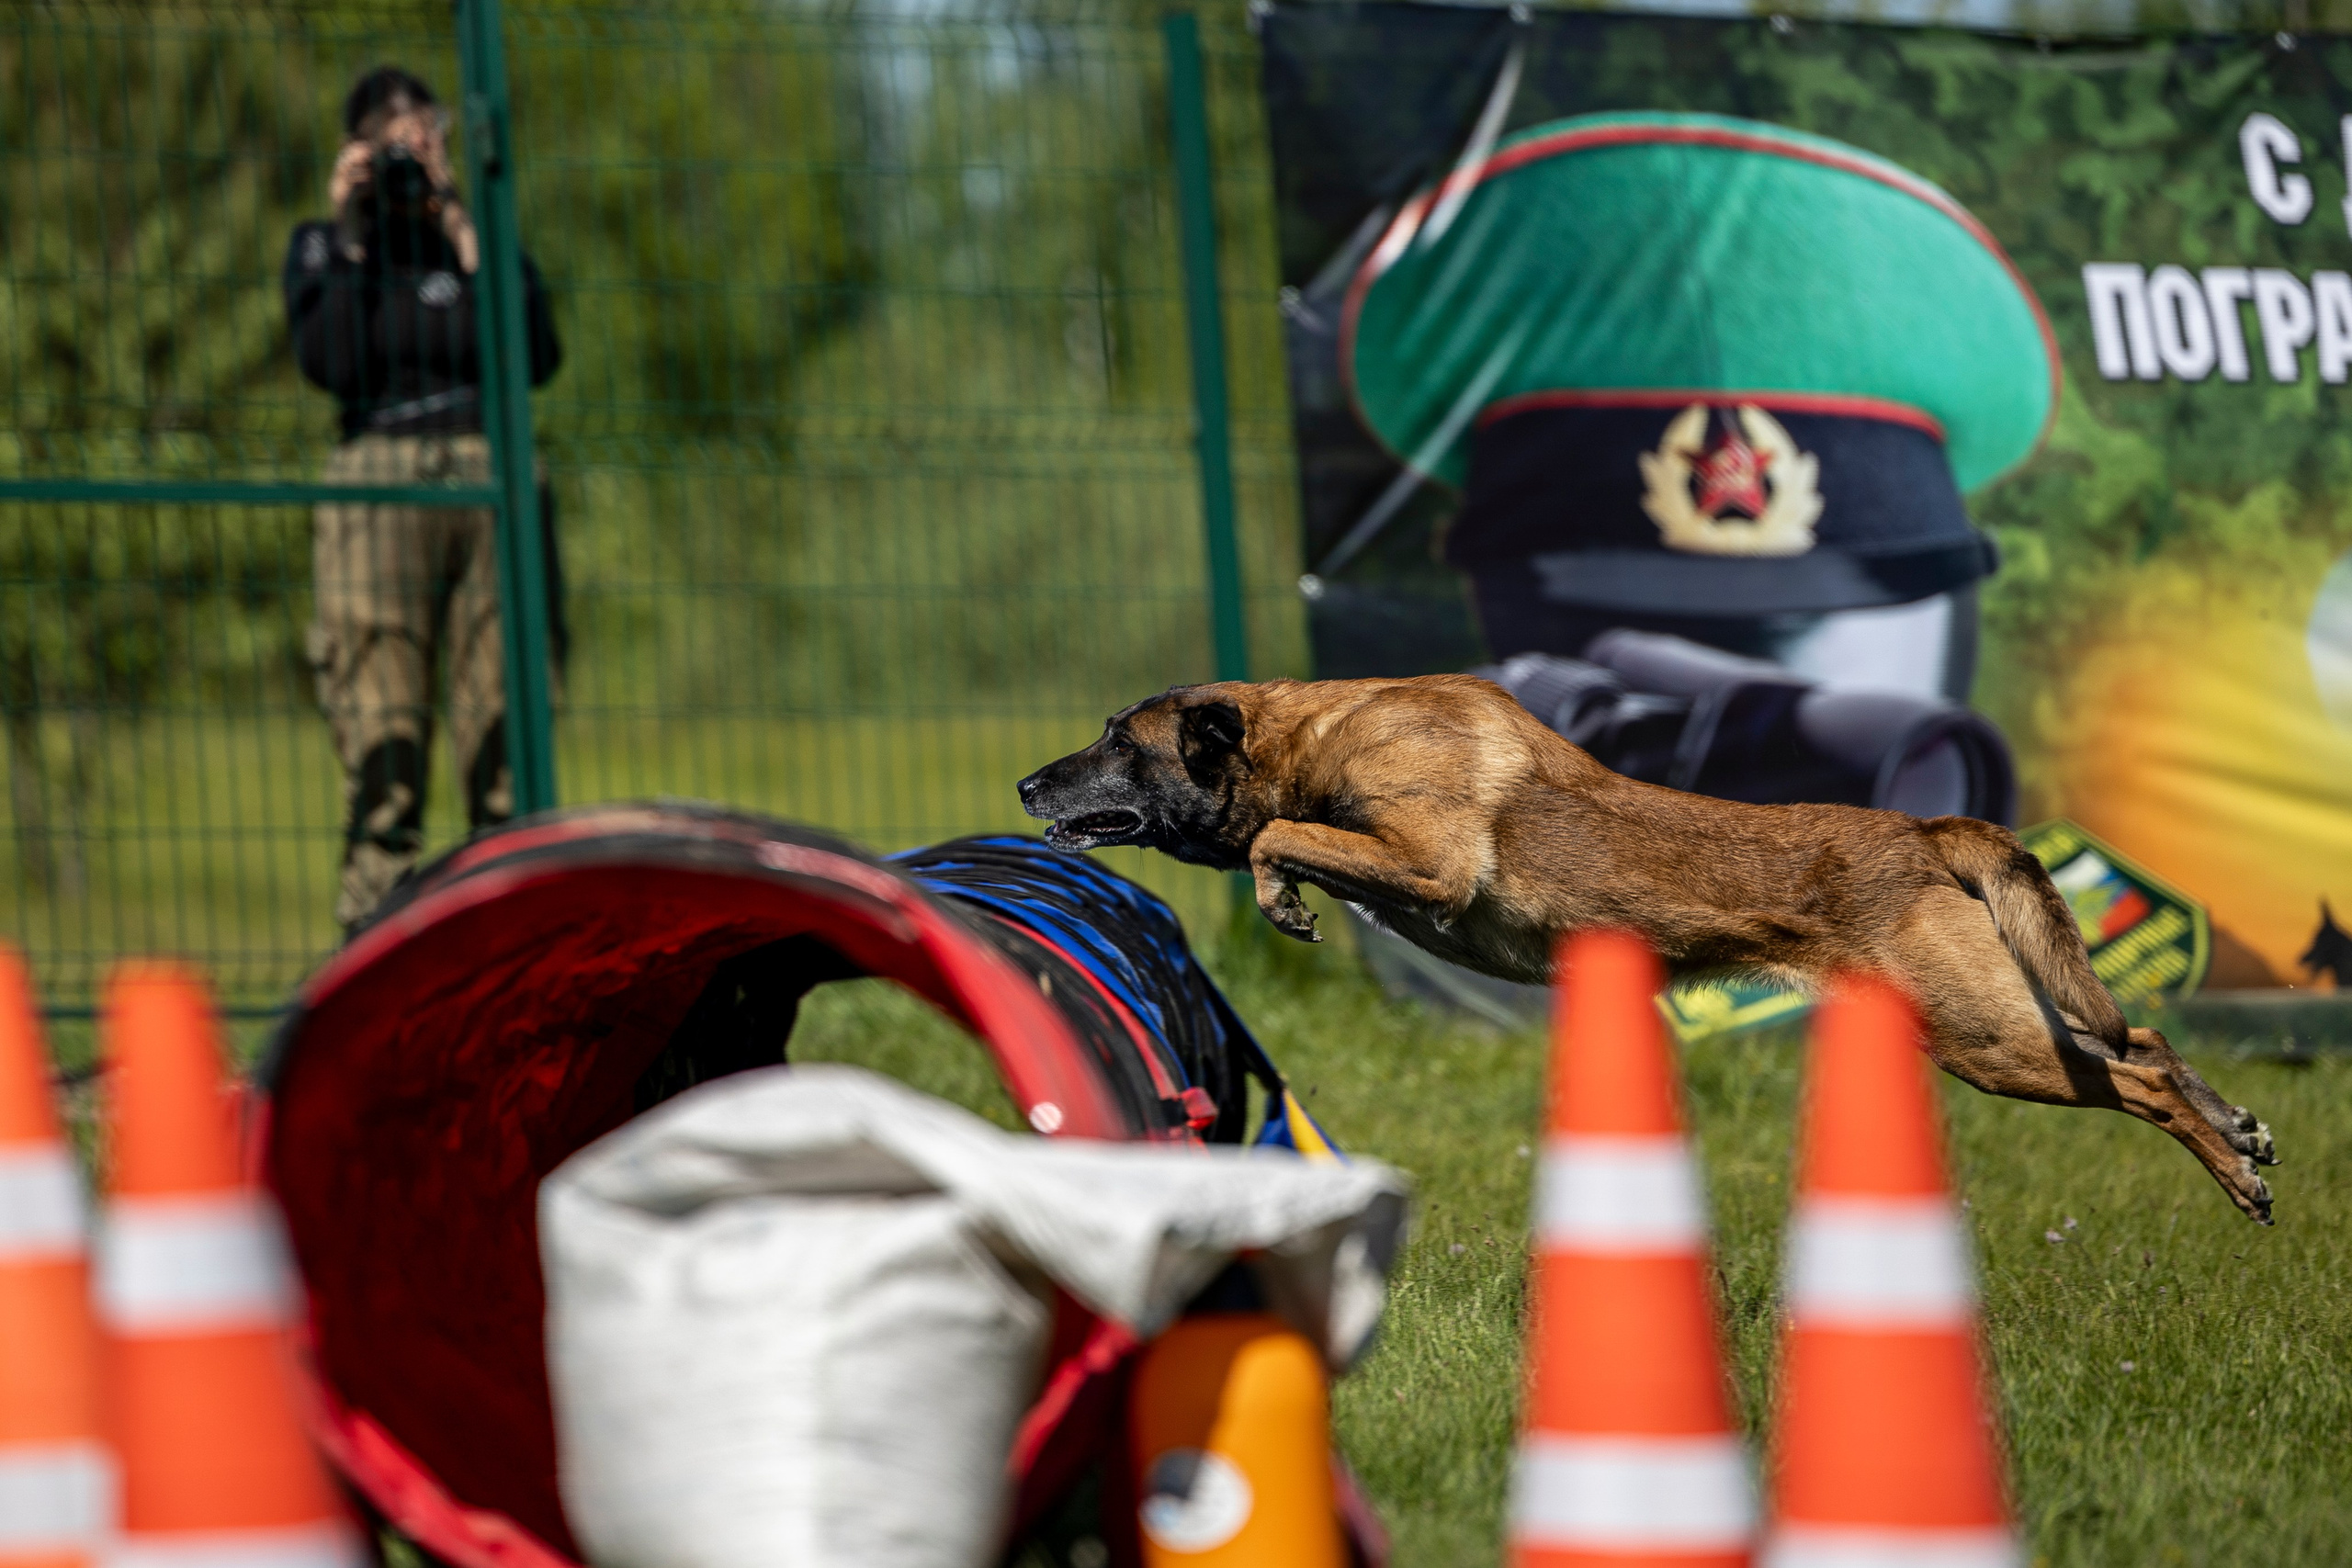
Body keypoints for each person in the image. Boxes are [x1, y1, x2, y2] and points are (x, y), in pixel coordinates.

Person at [284, 65, 562, 932]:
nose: (410, 162)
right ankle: (372, 950)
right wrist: (350, 231)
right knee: (382, 733)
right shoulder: (327, 248)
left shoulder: (473, 240)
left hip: (494, 478)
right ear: (356, 156)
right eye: (390, 149)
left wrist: (459, 220)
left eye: (425, 141)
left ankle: (517, 948)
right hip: (377, 479)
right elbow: (333, 364)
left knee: (506, 731)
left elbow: (536, 354)